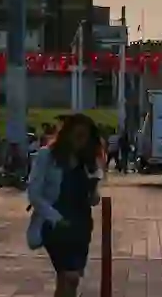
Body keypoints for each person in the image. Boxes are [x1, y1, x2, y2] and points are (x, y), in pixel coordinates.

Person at [27, 113, 103, 297]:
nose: (80, 141)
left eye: (85, 137)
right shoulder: (48, 156)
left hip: (81, 225)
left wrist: (94, 192)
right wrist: (56, 219)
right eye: (77, 135)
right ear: (67, 134)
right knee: (69, 276)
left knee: (70, 280)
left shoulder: (87, 162)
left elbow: (93, 199)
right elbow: (34, 194)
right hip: (55, 224)